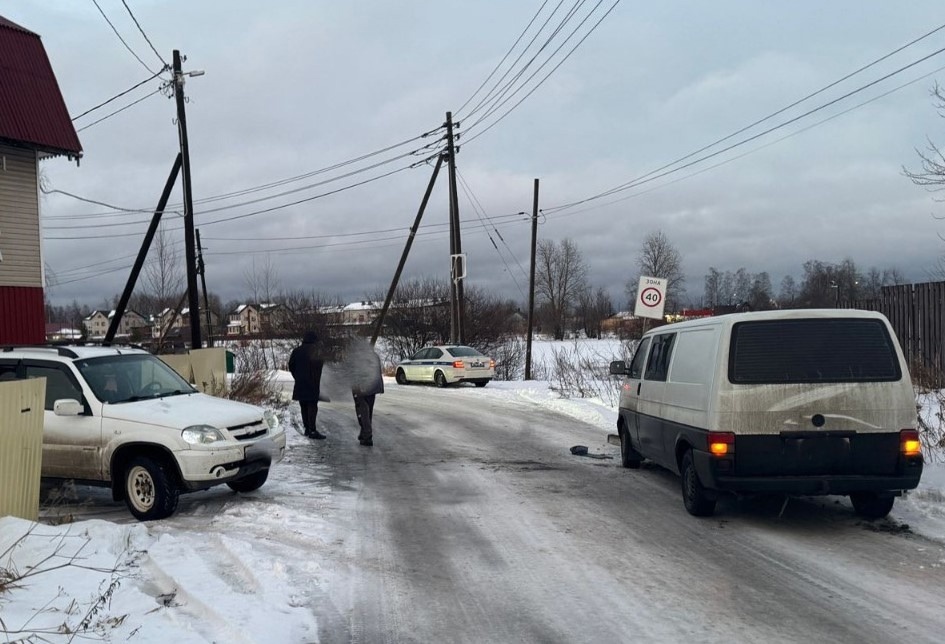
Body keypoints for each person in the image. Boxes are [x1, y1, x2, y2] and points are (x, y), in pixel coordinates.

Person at [342, 338, 384, 446]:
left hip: (361, 387)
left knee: (362, 412)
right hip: (373, 387)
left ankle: (367, 436)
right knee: (368, 411)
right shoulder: (373, 355)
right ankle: (364, 433)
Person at [288, 330, 326, 439]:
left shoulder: (296, 351)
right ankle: (313, 430)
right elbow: (321, 365)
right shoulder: (317, 351)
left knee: (303, 406)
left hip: (300, 382)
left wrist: (297, 375)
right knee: (312, 406)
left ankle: (307, 429)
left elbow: (291, 365)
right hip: (313, 382)